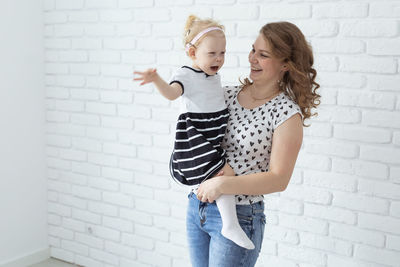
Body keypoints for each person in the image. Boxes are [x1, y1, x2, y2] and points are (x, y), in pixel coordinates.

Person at [188, 21, 321, 266]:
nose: (252, 59)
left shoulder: (286, 114)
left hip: (240, 216)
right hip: (198, 207)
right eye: (253, 50)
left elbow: (279, 179)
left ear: (285, 64)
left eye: (263, 55)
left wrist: (222, 185)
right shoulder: (225, 94)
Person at [133, 15, 255, 250]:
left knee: (220, 173)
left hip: (210, 135)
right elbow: (171, 93)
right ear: (192, 53)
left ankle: (228, 223)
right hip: (195, 138)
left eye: (223, 53)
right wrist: (156, 79)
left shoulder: (212, 76)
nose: (219, 59)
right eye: (212, 53)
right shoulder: (186, 74)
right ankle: (230, 224)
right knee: (222, 172)